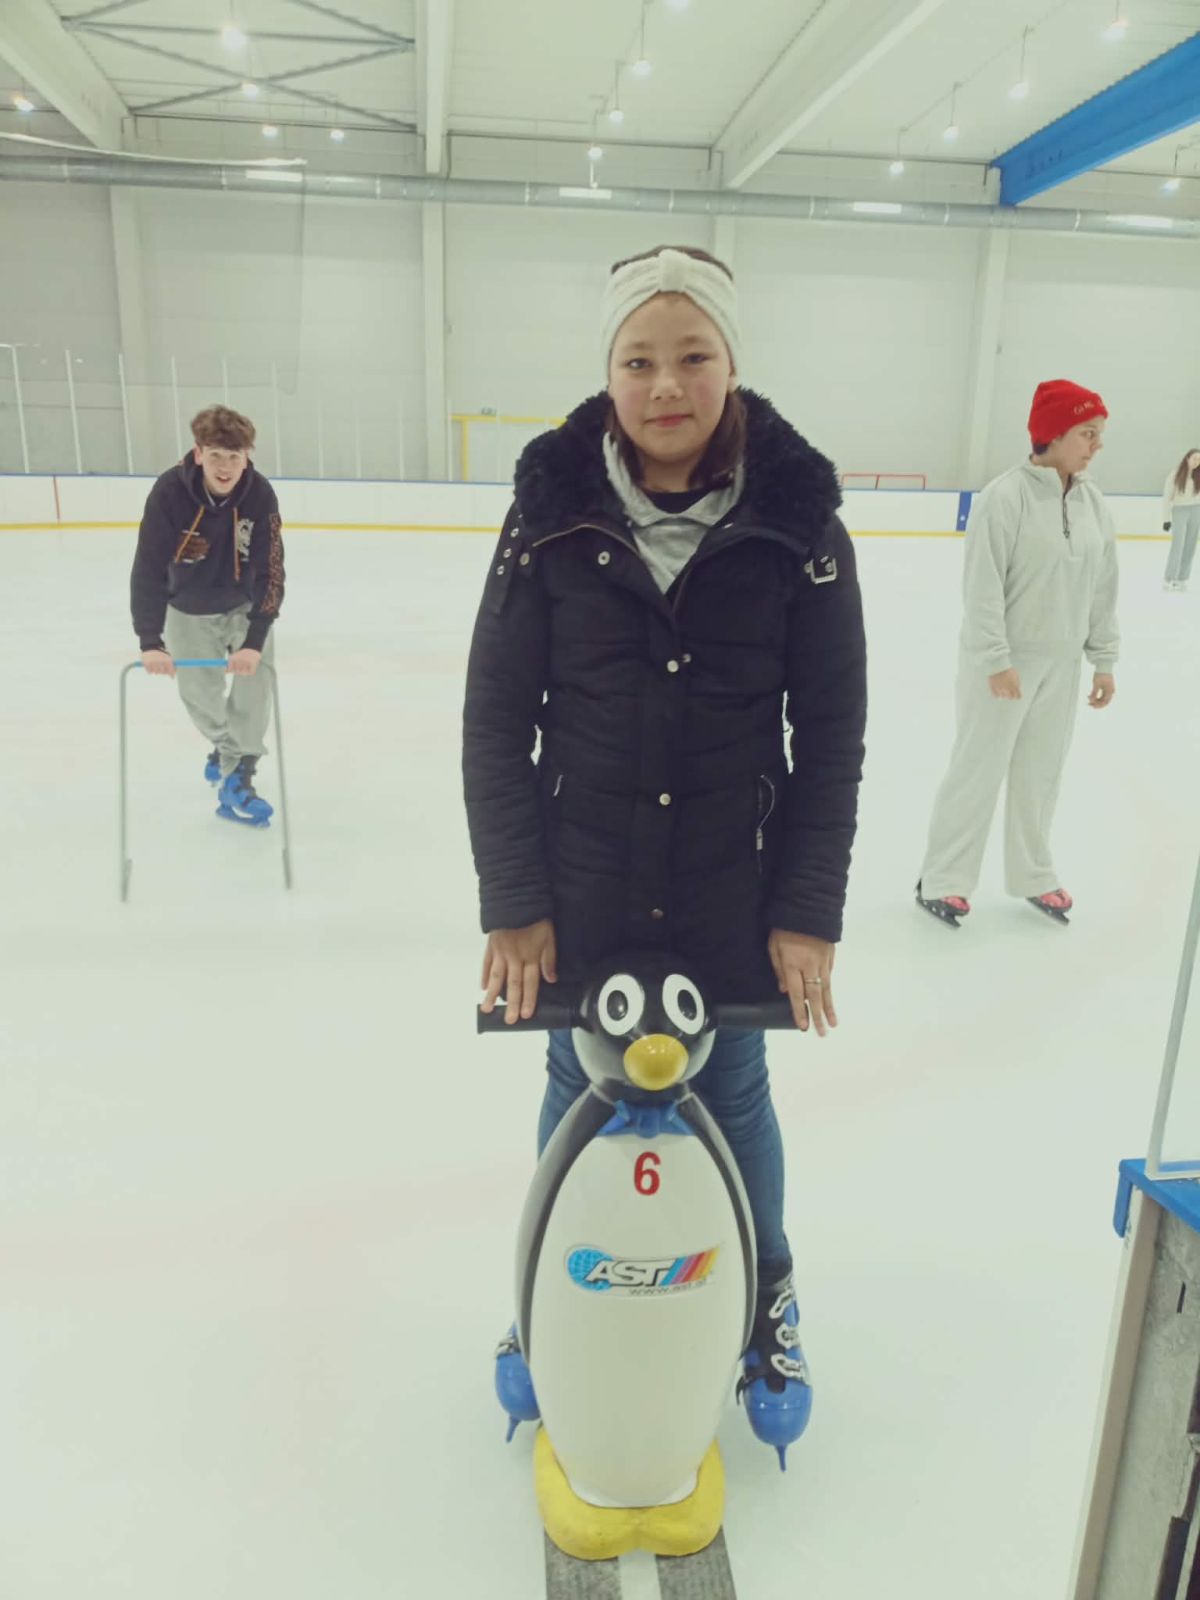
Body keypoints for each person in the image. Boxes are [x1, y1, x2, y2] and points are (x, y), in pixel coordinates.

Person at [462, 244, 867, 1454]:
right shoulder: (547, 511)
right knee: (574, 1079)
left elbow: (831, 732)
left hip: (727, 889)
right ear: (610, 372)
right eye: (638, 360)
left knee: (732, 1088)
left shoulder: (800, 522)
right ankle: (545, 1290)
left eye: (693, 355)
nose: (666, 385)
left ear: (732, 362)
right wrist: (515, 898)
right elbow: (496, 717)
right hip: (583, 880)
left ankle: (767, 1289)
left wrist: (807, 909)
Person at [916, 379, 1119, 929]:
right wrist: (995, 659)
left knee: (1041, 774)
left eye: (1099, 434)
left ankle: (1033, 874)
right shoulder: (1004, 498)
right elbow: (982, 587)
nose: (1097, 445)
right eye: (1087, 433)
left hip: (1063, 662)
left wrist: (1103, 659)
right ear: (1054, 433)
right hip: (1004, 663)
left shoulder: (1093, 503)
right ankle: (943, 878)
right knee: (977, 771)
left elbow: (1104, 585)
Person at [130, 405, 285, 826]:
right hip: (186, 606)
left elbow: (271, 570)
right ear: (198, 453)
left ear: (247, 457)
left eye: (235, 456)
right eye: (216, 455)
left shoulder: (260, 494)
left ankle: (240, 777)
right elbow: (147, 567)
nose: (225, 467)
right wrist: (150, 639)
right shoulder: (169, 492)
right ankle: (225, 746)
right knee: (199, 696)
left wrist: (255, 640)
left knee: (256, 686)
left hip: (244, 603)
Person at [1162, 447, 1200, 593]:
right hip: (1180, 511)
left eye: (1199, 460)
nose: (1197, 462)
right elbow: (1167, 498)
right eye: (1195, 458)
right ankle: (1169, 578)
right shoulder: (1175, 475)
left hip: (1196, 510)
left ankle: (1182, 578)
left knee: (1190, 545)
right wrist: (1166, 519)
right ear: (1187, 458)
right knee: (1177, 545)